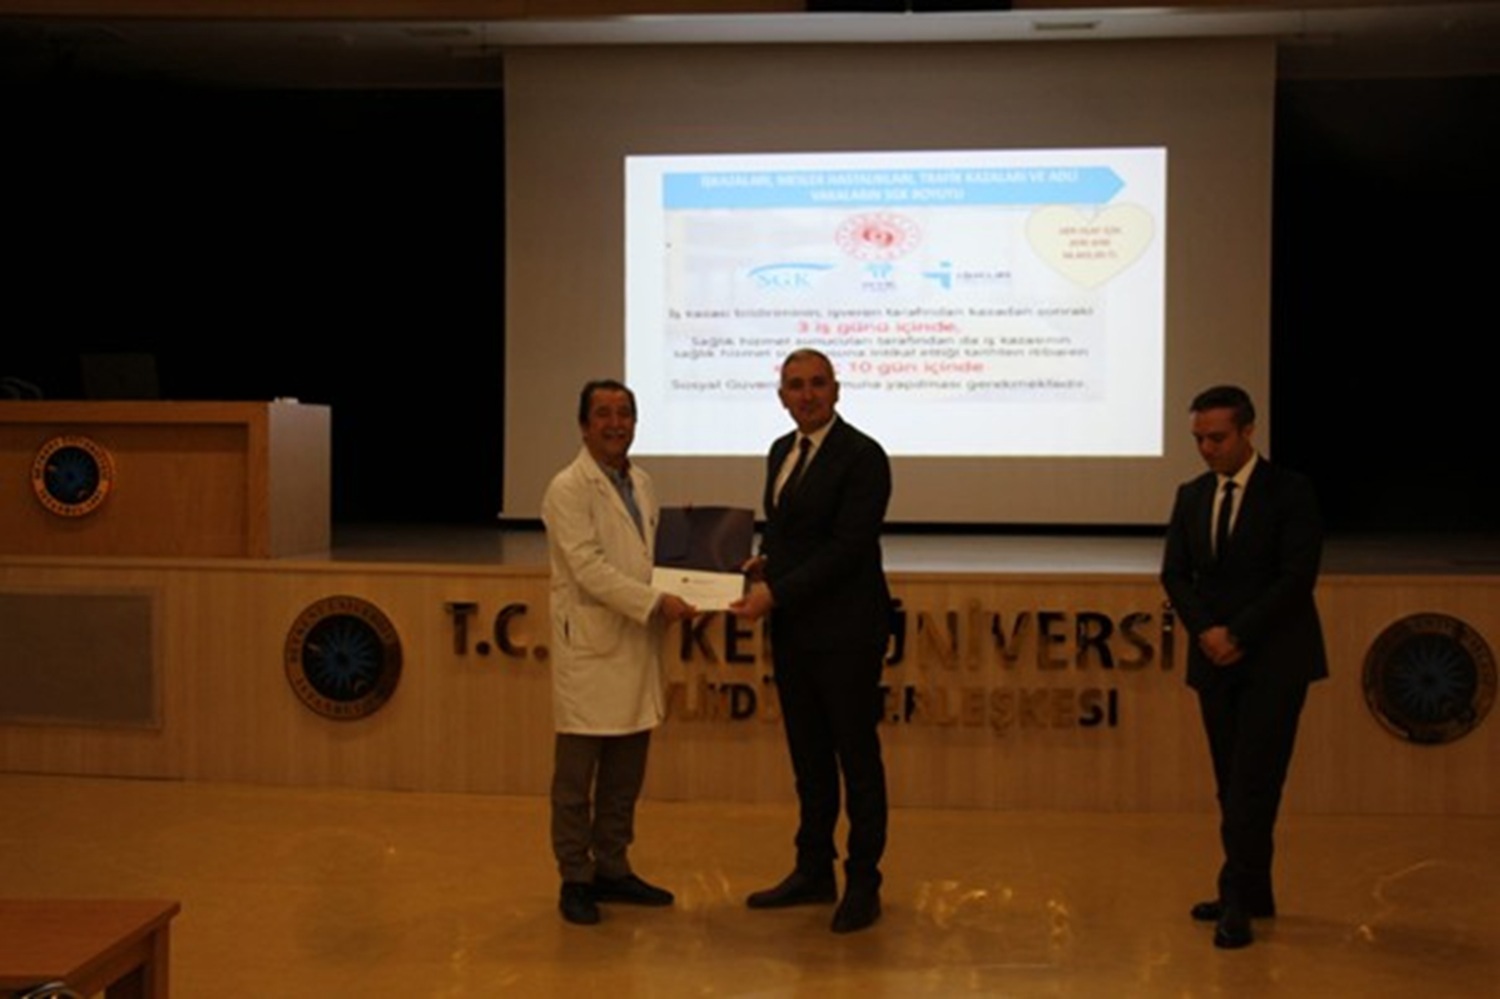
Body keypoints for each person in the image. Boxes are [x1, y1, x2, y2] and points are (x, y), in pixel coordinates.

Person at [1160, 385, 1328, 949]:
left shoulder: (1291, 491)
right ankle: (1255, 890)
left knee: (1253, 783)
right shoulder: (1192, 495)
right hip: (1214, 661)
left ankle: (1236, 897)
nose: (1206, 448)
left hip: (1275, 659)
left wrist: (1238, 633)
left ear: (1248, 431)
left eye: (1217, 437)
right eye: (1198, 439)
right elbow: (1174, 574)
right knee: (1230, 781)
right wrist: (1207, 632)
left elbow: (1296, 576)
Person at [731, 348, 892, 934]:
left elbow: (847, 548)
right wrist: (763, 562)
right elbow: (791, 535)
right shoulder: (781, 450)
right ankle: (813, 870)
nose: (807, 394)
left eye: (818, 383)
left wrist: (775, 592)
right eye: (796, 385)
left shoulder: (864, 456)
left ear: (836, 390)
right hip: (796, 629)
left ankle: (863, 881)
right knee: (809, 759)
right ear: (781, 397)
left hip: (848, 632)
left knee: (857, 759)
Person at [541, 379, 696, 926]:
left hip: (636, 643)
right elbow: (588, 568)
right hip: (591, 647)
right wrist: (656, 602)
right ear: (584, 426)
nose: (615, 423)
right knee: (574, 781)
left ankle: (613, 866)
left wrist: (694, 562)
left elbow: (648, 559)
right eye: (603, 414)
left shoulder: (642, 483)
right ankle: (575, 877)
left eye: (624, 413)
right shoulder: (567, 488)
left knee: (624, 775)